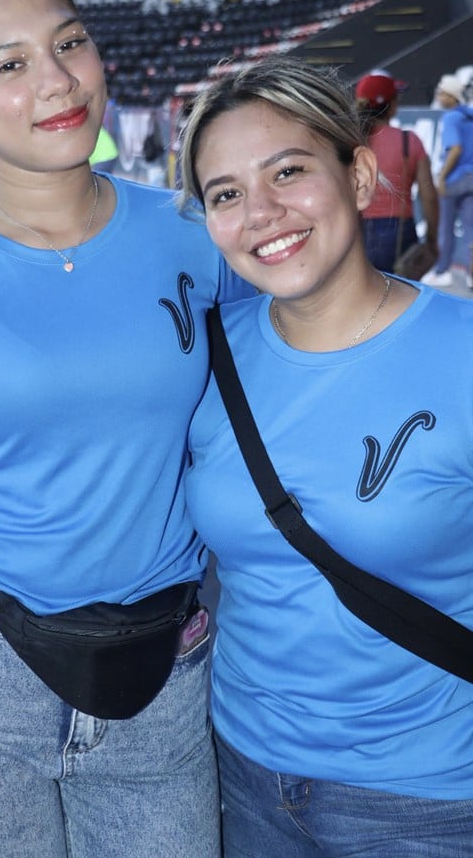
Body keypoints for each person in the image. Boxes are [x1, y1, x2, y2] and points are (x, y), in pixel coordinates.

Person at [0, 0, 251, 858]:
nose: (57, 80)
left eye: (68, 42)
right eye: (8, 64)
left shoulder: (199, 234)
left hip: (161, 678)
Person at [177, 55, 473, 856]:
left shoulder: (463, 353)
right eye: (227, 194)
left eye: (289, 172)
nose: (262, 212)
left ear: (363, 173)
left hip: (430, 798)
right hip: (240, 772)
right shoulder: (200, 359)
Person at [354, 71, 438, 273]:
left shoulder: (350, 142)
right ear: (391, 106)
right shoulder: (409, 141)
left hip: (356, 231)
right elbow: (429, 196)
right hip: (400, 233)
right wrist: (432, 240)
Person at [422, 73, 473, 288]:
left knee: (446, 227)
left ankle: (443, 270)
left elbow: (456, 148)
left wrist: (442, 176)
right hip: (471, 177)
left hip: (453, 179)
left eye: (443, 93)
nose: (439, 96)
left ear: (452, 96)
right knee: (471, 228)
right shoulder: (469, 115)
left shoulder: (451, 117)